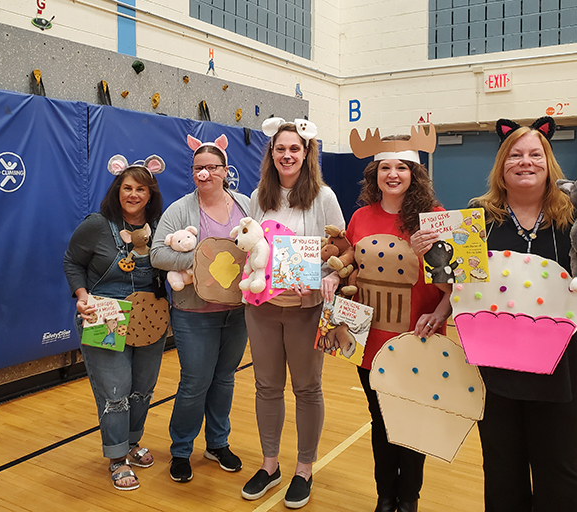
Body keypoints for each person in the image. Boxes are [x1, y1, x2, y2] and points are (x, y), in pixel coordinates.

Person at [469, 117, 577, 512]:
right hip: (495, 371)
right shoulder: (477, 219)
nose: (525, 162)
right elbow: (459, 290)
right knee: (502, 473)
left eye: (535, 154)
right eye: (515, 155)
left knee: (559, 475)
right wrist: (434, 256)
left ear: (549, 163)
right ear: (501, 166)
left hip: (562, 370)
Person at [337, 135, 451, 512]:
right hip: (370, 340)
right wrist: (331, 278)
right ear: (375, 173)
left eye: (402, 167)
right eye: (385, 167)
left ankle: (409, 499)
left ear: (414, 174)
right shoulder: (361, 216)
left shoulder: (435, 217)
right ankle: (385, 496)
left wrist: (427, 260)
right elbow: (348, 268)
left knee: (412, 422)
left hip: (418, 338)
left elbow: (454, 283)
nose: (393, 174)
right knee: (381, 421)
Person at [240, 118, 345, 509]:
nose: (287, 155)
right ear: (271, 152)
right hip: (262, 309)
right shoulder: (258, 196)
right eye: (280, 148)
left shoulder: (323, 197)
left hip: (306, 308)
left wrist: (319, 277)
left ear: (306, 153)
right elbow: (250, 247)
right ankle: (270, 465)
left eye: (295, 149)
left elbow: (341, 250)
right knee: (266, 387)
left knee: (306, 388)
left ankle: (304, 468)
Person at [63, 155, 168, 491]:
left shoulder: (160, 228)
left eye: (140, 189)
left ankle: (132, 443)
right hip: (104, 315)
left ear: (150, 194)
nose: (133, 194)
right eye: (127, 188)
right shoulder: (96, 224)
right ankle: (117, 457)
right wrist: (82, 295)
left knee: (142, 389)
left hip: (150, 318)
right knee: (115, 392)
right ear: (117, 190)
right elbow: (72, 262)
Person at [150, 134, 251, 483]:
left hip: (236, 312)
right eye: (198, 168)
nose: (204, 174)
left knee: (224, 379)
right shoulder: (179, 210)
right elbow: (157, 254)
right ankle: (181, 450)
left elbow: (258, 244)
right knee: (195, 382)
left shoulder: (244, 204)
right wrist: (201, 259)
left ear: (225, 170)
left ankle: (217, 443)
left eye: (212, 168)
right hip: (193, 312)